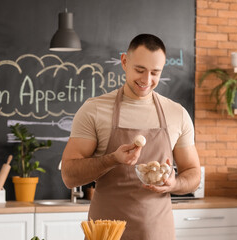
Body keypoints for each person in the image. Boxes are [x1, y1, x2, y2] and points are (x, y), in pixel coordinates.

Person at [61, 33, 201, 240]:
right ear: (124, 62)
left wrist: (175, 184)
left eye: (155, 73)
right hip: (106, 233)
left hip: (156, 232)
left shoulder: (176, 113)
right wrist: (112, 159)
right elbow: (69, 176)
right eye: (140, 70)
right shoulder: (94, 110)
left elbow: (193, 172)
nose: (146, 80)